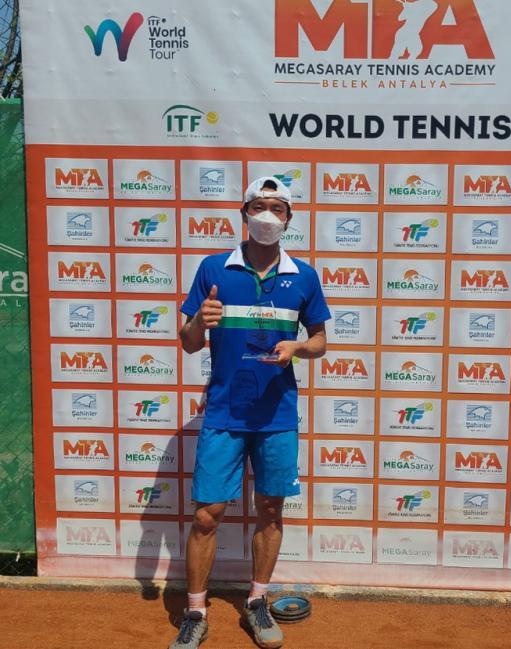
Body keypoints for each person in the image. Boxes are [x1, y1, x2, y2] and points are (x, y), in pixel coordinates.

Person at [170, 176, 330, 649]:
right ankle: (195, 611)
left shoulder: (304, 276)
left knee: (271, 510)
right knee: (207, 516)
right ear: (244, 213)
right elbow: (189, 342)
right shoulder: (214, 267)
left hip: (277, 414)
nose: (267, 215)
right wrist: (199, 322)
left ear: (289, 218)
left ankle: (257, 602)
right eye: (258, 206)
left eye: (277, 208)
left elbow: (320, 342)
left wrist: (297, 347)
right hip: (224, 412)